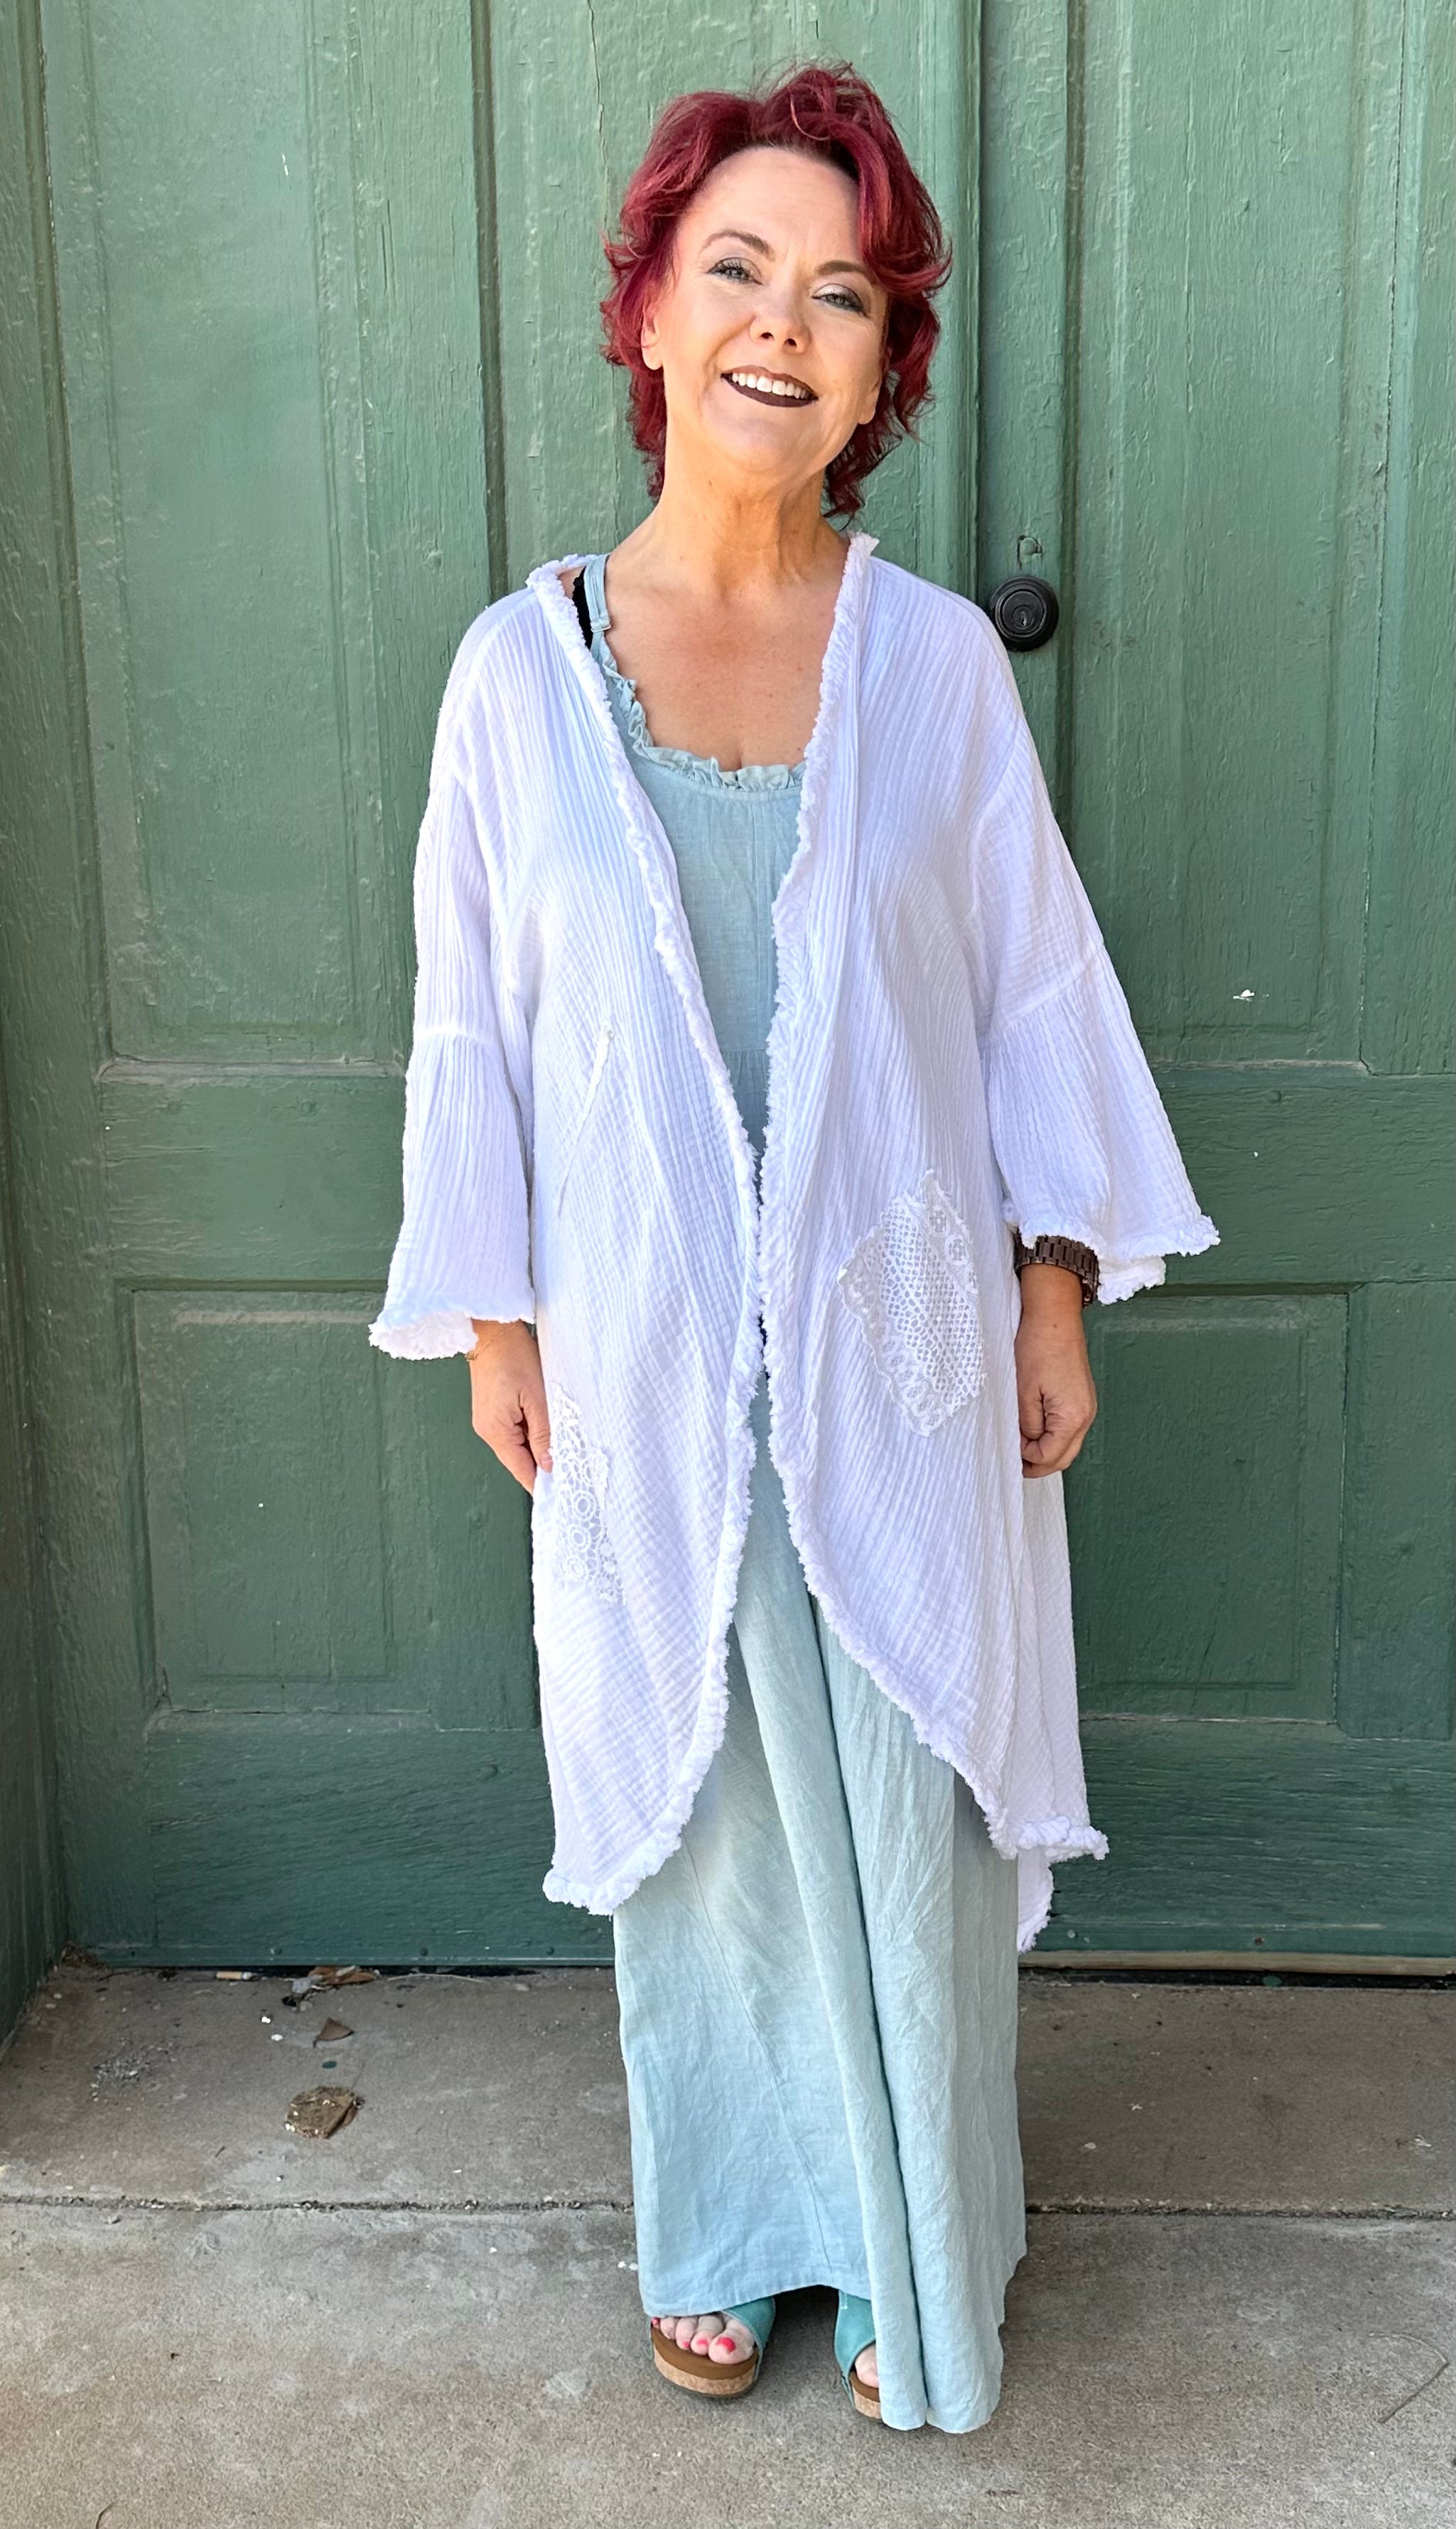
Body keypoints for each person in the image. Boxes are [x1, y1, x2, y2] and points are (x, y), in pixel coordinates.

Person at [369, 64, 1217, 2434]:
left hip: (907, 1337)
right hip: (644, 1341)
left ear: (878, 371)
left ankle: (916, 2240)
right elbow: (472, 1014)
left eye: (838, 295)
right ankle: (734, 2225)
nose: (780, 322)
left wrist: (1054, 1283)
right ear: (649, 314)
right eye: (734, 268)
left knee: (904, 1778)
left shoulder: (934, 665)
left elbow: (1030, 985)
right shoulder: (517, 672)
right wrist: (497, 1315)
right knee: (709, 1794)